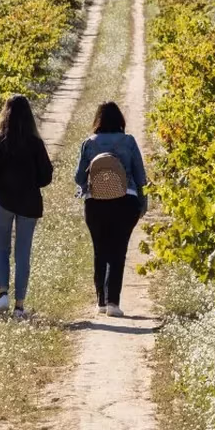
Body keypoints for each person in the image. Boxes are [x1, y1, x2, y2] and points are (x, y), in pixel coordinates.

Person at [0, 94, 53, 318]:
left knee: (1, 248)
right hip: (29, 202)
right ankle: (19, 305)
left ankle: (2, 294)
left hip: (3, 201)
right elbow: (46, 176)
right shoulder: (35, 143)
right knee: (22, 253)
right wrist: (30, 184)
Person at [74, 101, 147, 318]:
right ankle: (114, 302)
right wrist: (143, 202)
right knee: (118, 251)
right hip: (126, 200)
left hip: (95, 202)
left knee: (100, 250)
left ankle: (101, 302)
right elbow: (140, 176)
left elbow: (78, 177)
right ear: (120, 120)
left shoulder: (89, 143)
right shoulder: (129, 141)